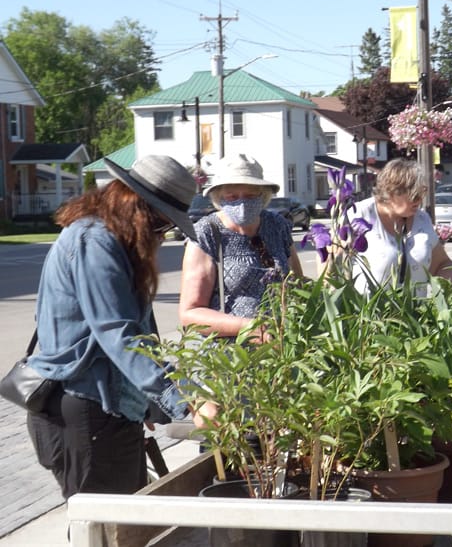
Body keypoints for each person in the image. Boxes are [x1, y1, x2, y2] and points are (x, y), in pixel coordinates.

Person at [25, 155, 202, 498]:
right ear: (137, 205)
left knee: (126, 529)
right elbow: (118, 332)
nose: (162, 234)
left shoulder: (115, 243)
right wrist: (183, 400)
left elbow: (136, 330)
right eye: (160, 224)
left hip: (109, 407)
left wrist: (148, 400)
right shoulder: (94, 241)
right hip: (88, 407)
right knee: (105, 530)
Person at [179, 153, 304, 338]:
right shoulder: (206, 233)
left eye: (250, 195)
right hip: (232, 355)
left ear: (263, 196)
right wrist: (251, 328)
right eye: (232, 197)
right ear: (219, 197)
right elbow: (191, 313)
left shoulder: (277, 225)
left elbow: (298, 285)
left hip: (283, 349)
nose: (242, 203)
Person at [349, 158, 452, 290]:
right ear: (390, 191)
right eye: (413, 195)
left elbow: (441, 264)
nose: (419, 200)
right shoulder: (358, 215)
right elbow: (334, 266)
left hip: (416, 309)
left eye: (422, 192)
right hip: (368, 309)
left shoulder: (422, 219)